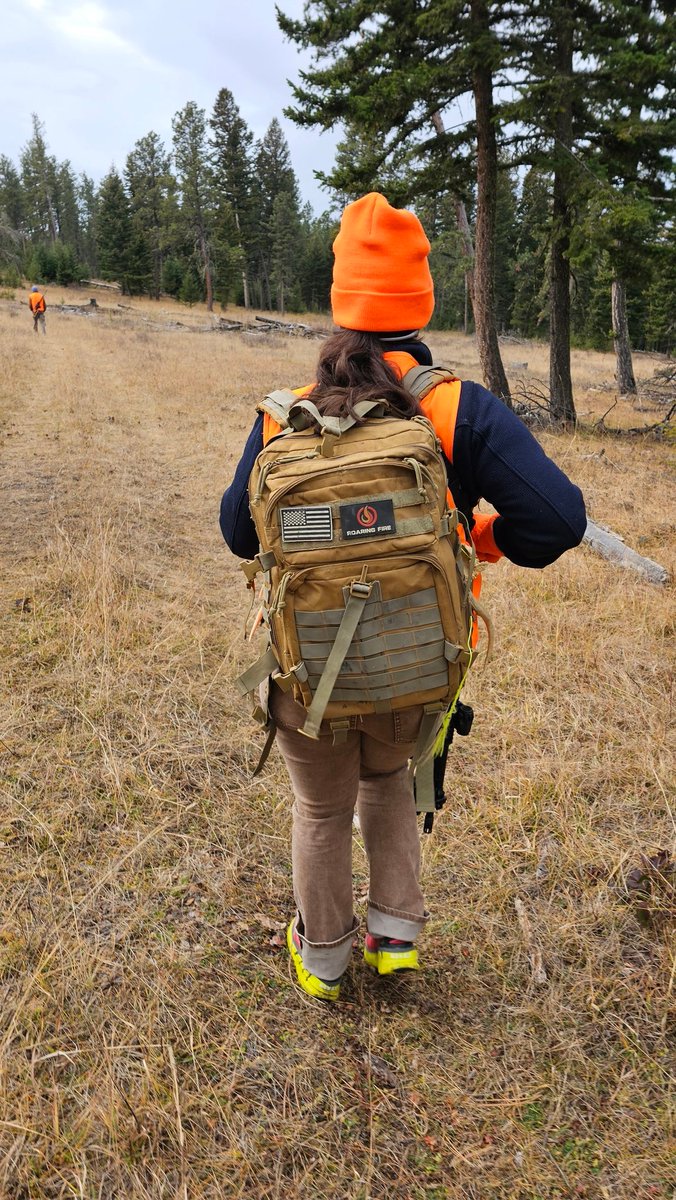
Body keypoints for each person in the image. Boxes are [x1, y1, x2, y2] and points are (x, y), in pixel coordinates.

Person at [219, 192, 586, 1002]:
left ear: (339, 297)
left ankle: (322, 963)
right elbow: (559, 520)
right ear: (420, 298)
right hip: (418, 664)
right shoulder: (453, 407)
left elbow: (239, 537)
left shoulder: (287, 416)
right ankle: (395, 939)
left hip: (306, 672)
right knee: (386, 782)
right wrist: (480, 538)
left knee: (319, 812)